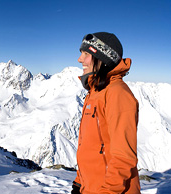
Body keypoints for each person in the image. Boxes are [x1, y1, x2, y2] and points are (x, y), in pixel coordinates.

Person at [72, 32, 140, 194]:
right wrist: (79, 182)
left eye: (86, 54)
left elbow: (123, 157)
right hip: (91, 188)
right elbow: (91, 147)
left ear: (103, 59)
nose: (80, 59)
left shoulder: (117, 94)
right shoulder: (95, 93)